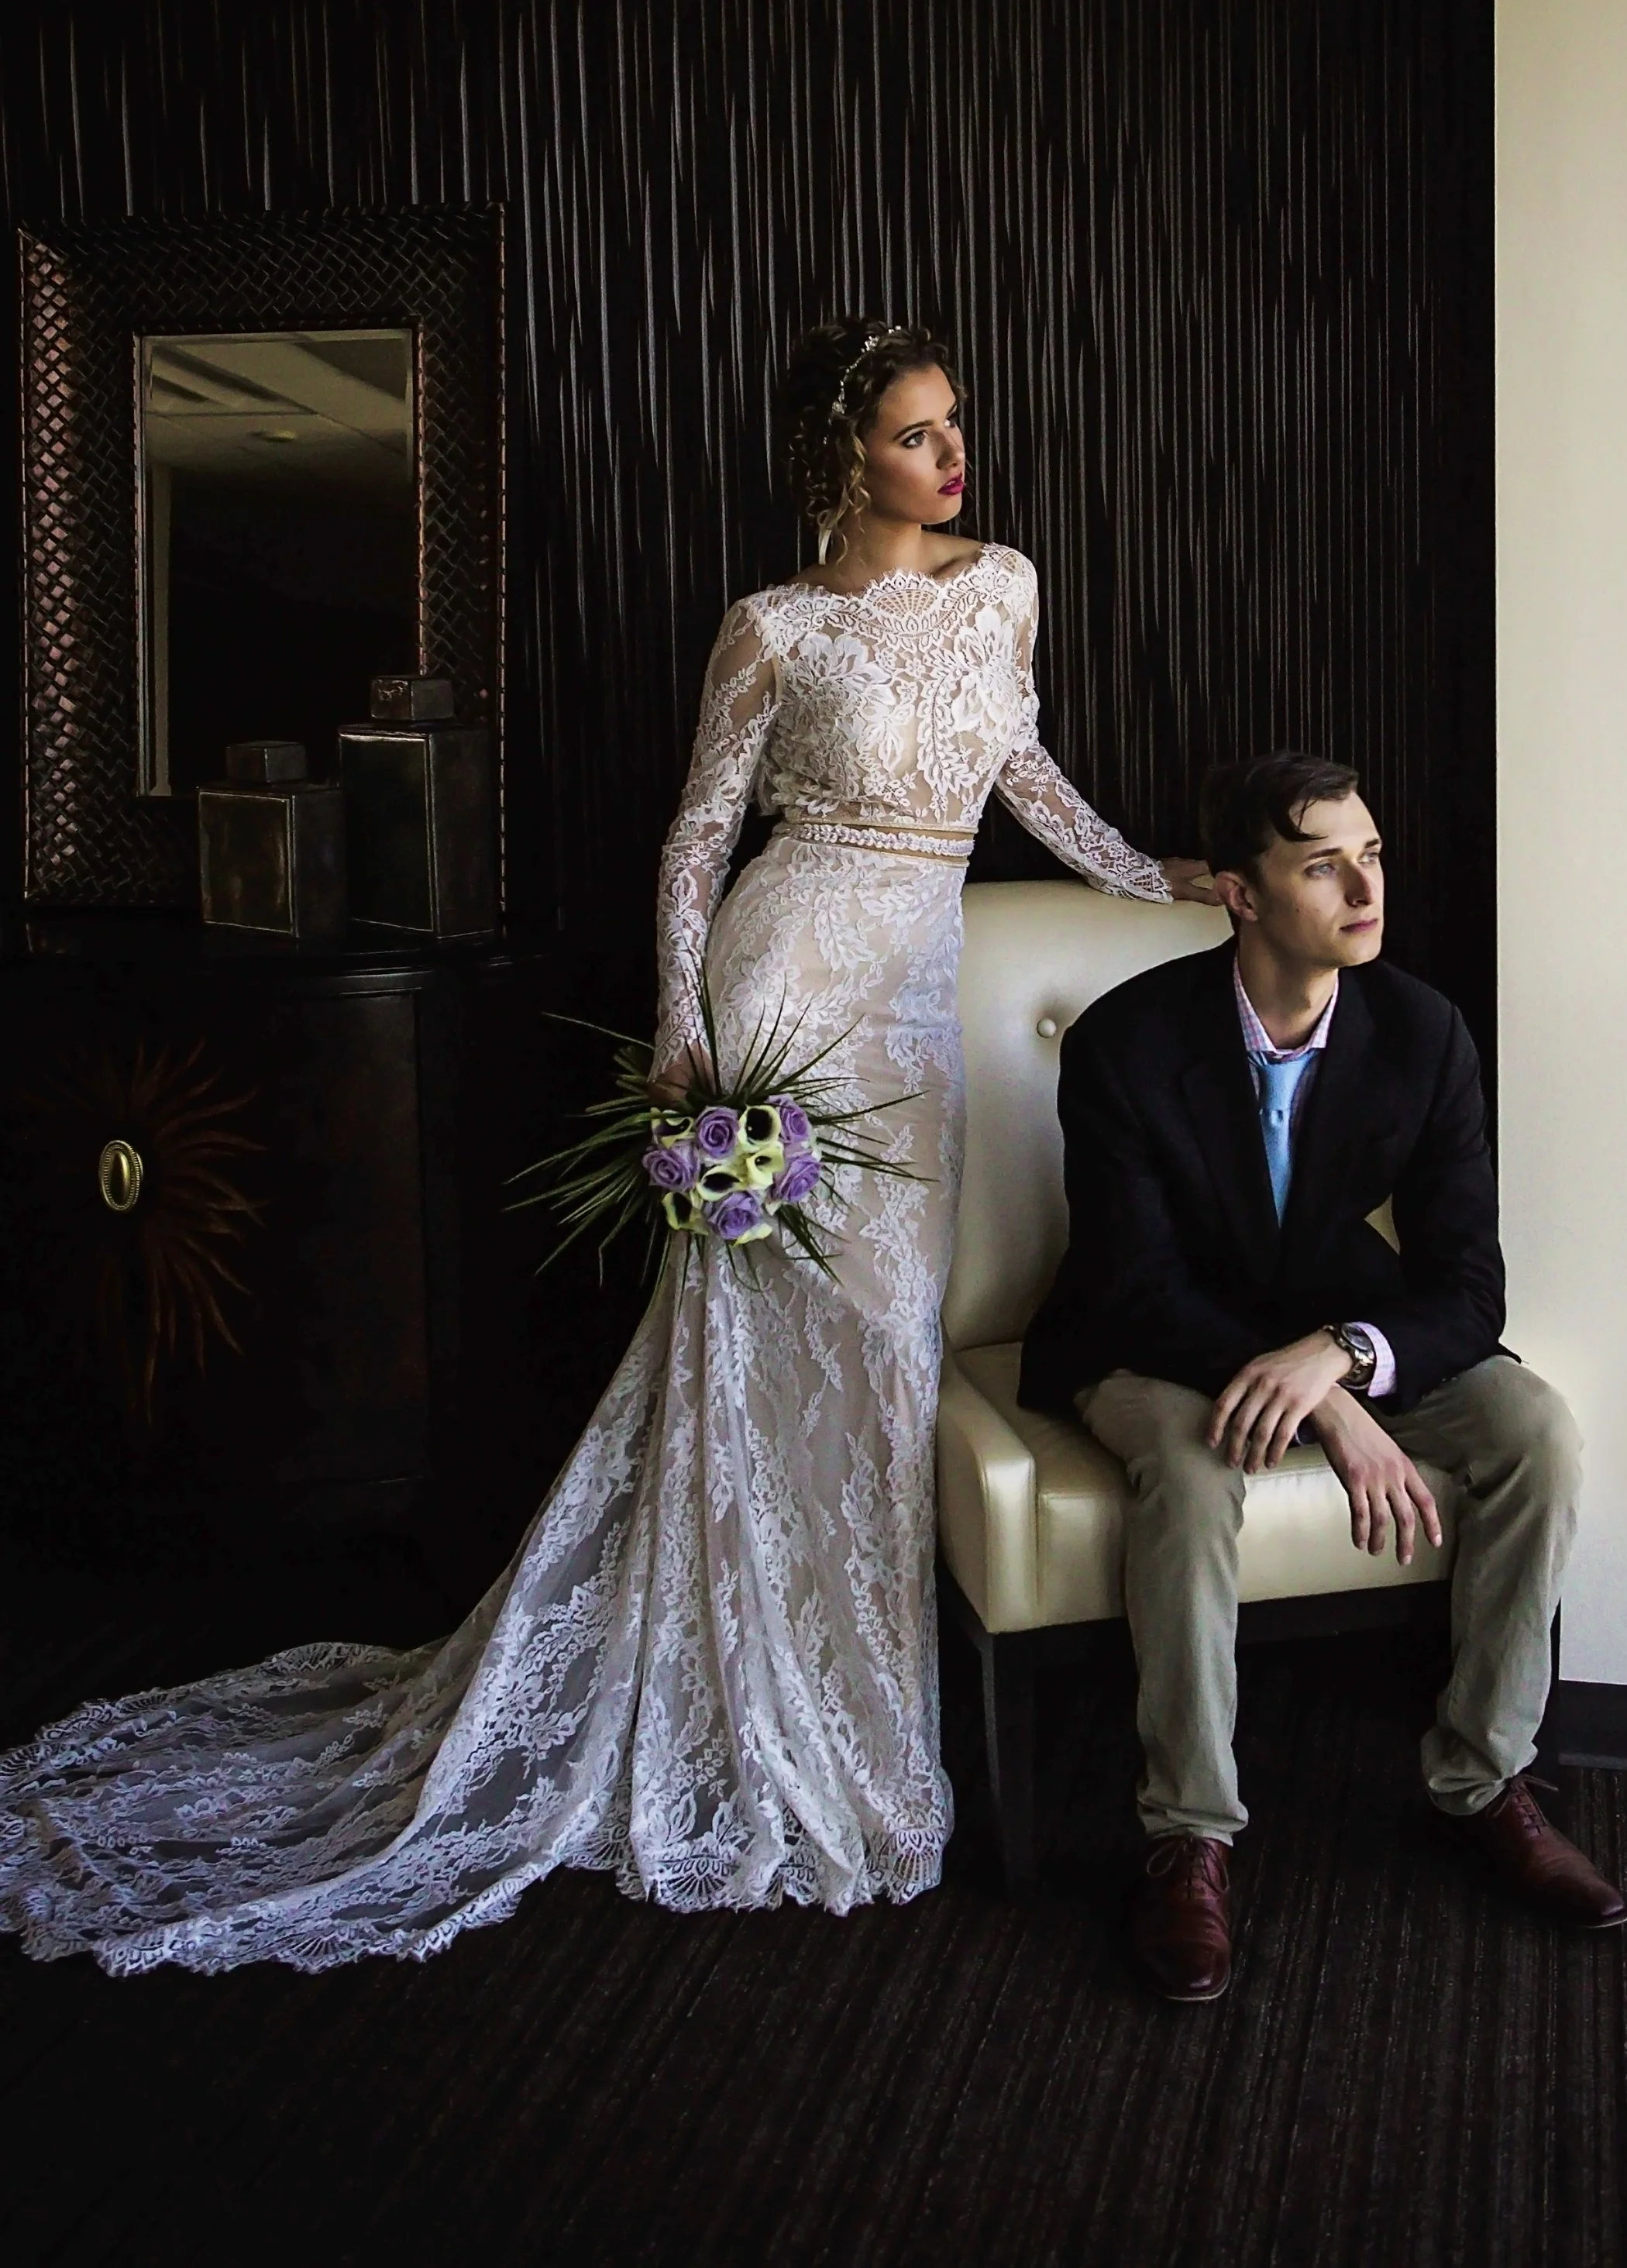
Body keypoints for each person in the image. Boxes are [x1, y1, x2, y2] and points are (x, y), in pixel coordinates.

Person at [0, 318, 1213, 1972]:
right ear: (842, 460)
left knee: (879, 1356)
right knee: (771, 1344)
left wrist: (1154, 875)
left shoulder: (1000, 584)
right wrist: (679, 1026)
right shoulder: (772, 630)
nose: (952, 458)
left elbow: (1024, 774)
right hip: (785, 983)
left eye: (953, 431)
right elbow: (703, 831)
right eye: (919, 436)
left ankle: (847, 1694)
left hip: (913, 1009)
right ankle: (748, 1696)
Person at [1018, 750, 1626, 2005]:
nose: (1365, 886)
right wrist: (1336, 1411)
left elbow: (1469, 1289)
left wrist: (1346, 1355)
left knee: (1540, 1434)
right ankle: (1188, 1835)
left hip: (1330, 1327)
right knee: (1194, 1472)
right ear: (1240, 894)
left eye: (1374, 854)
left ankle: (1483, 1781)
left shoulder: (1421, 1031)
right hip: (1155, 1341)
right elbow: (1135, 1285)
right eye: (1322, 864)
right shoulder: (1129, 1041)